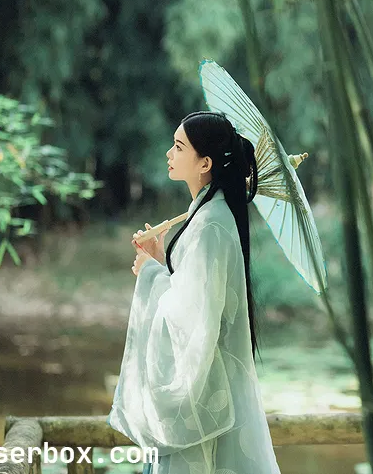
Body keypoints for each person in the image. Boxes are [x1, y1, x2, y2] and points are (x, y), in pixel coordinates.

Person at [107, 111, 281, 474]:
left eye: (179, 146)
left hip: (211, 396)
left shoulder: (210, 224)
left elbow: (193, 319)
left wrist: (150, 273)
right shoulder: (207, 216)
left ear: (205, 163)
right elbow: (195, 296)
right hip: (218, 388)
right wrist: (160, 261)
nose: (169, 154)